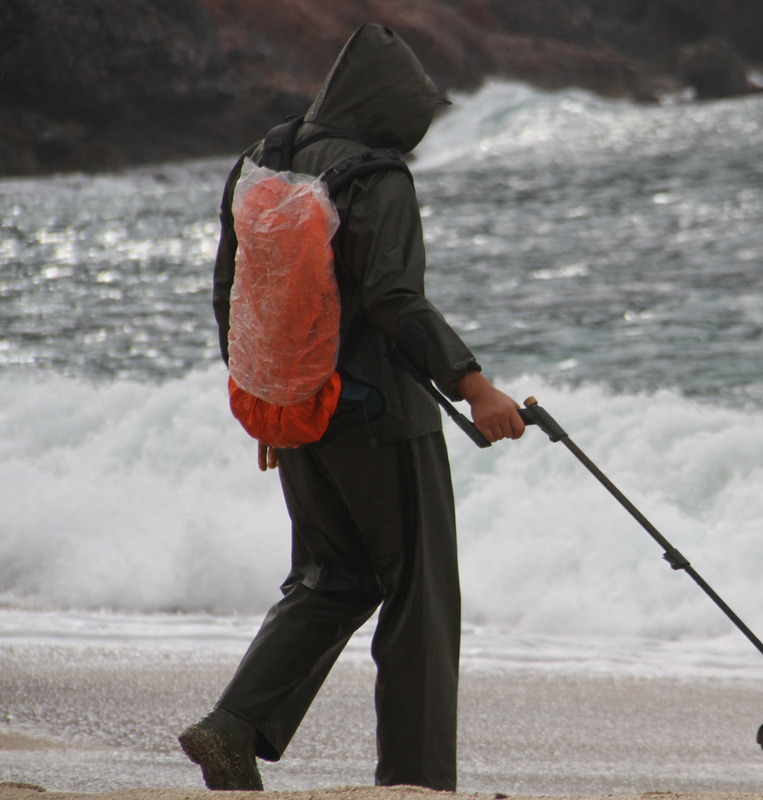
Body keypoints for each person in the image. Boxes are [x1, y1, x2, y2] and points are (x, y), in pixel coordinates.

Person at [179, 24, 524, 792]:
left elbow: (231, 295)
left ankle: (233, 727)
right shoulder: (378, 177)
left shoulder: (260, 161)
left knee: (331, 575)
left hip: (297, 406)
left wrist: (268, 397)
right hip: (381, 420)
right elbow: (396, 300)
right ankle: (417, 781)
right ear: (393, 107)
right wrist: (476, 386)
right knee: (418, 595)